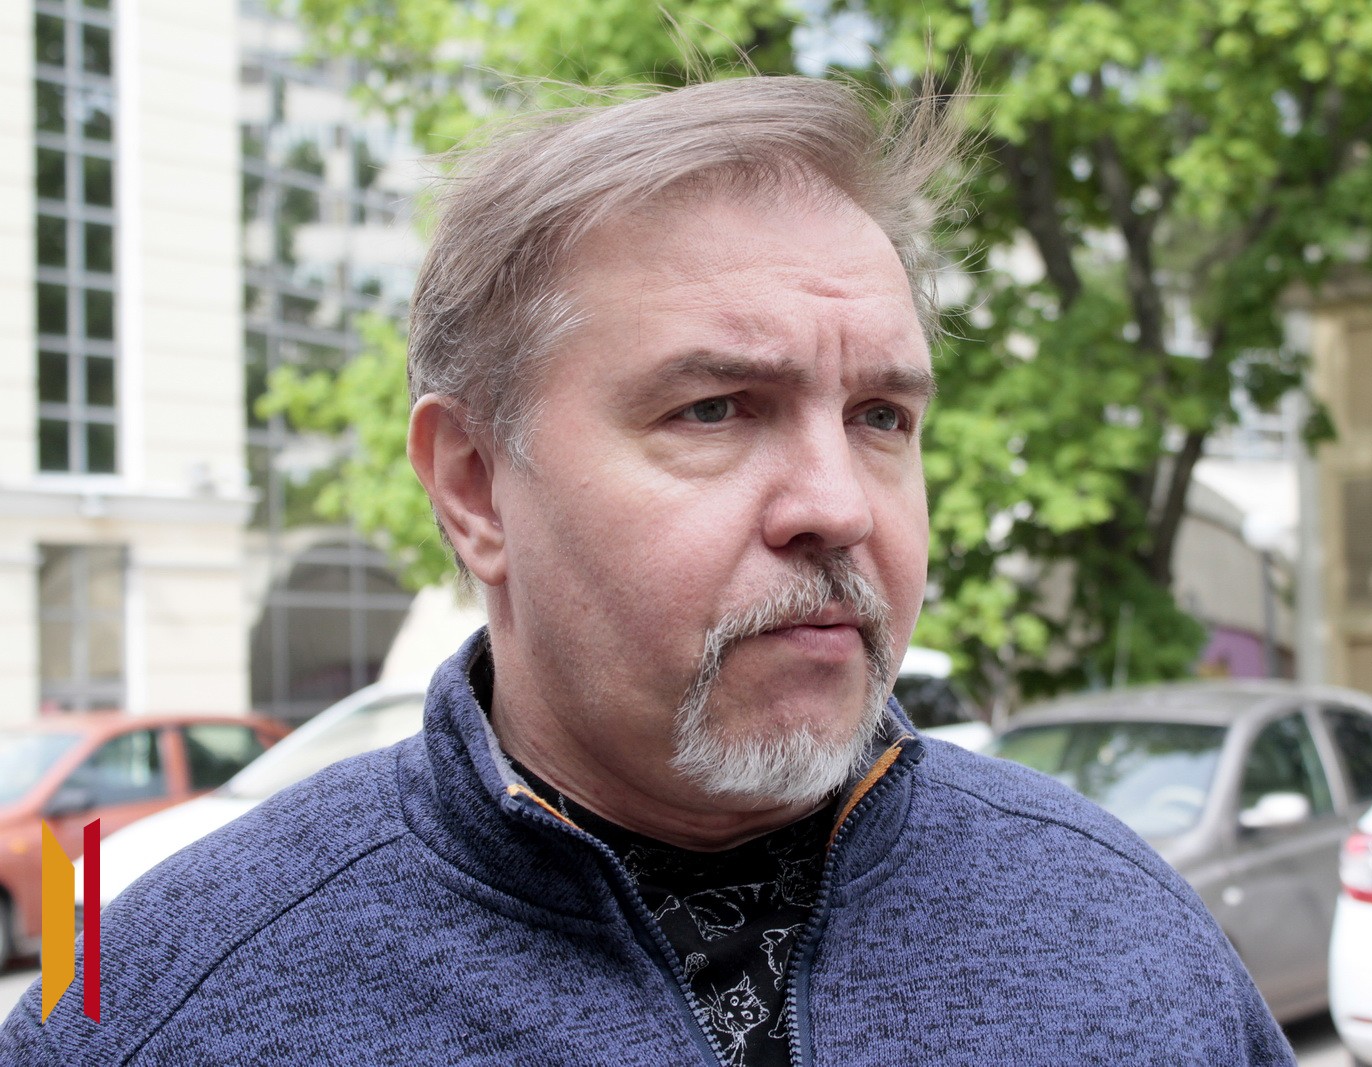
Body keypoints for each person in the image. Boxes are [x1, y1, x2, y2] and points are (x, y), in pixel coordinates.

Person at [2, 75, 1295, 1066]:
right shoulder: (155, 1001)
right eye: (716, 409)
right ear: (474, 486)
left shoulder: (1125, 930)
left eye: (881, 418)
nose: (838, 505)